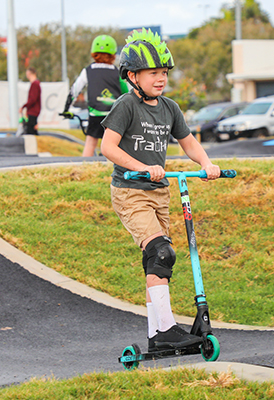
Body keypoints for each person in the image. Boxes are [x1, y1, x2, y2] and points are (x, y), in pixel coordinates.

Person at [100, 29, 221, 352]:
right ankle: (166, 330)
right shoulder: (126, 105)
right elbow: (107, 147)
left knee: (158, 262)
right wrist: (142, 167)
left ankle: (158, 336)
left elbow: (189, 143)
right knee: (161, 253)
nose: (161, 78)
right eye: (153, 73)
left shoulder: (169, 108)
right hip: (130, 190)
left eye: (164, 73)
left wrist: (207, 163)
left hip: (160, 193)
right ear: (132, 76)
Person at [63, 35, 128, 157]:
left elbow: (75, 90)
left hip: (95, 113)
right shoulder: (117, 72)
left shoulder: (88, 70)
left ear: (94, 52)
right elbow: (126, 93)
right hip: (113, 115)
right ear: (113, 54)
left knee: (90, 142)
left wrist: (66, 109)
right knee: (115, 145)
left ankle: (84, 167)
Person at [20, 67, 41, 135]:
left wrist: (24, 106)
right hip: (34, 111)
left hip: (33, 111)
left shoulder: (34, 84)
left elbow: (33, 99)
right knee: (32, 129)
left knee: (30, 130)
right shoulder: (36, 84)